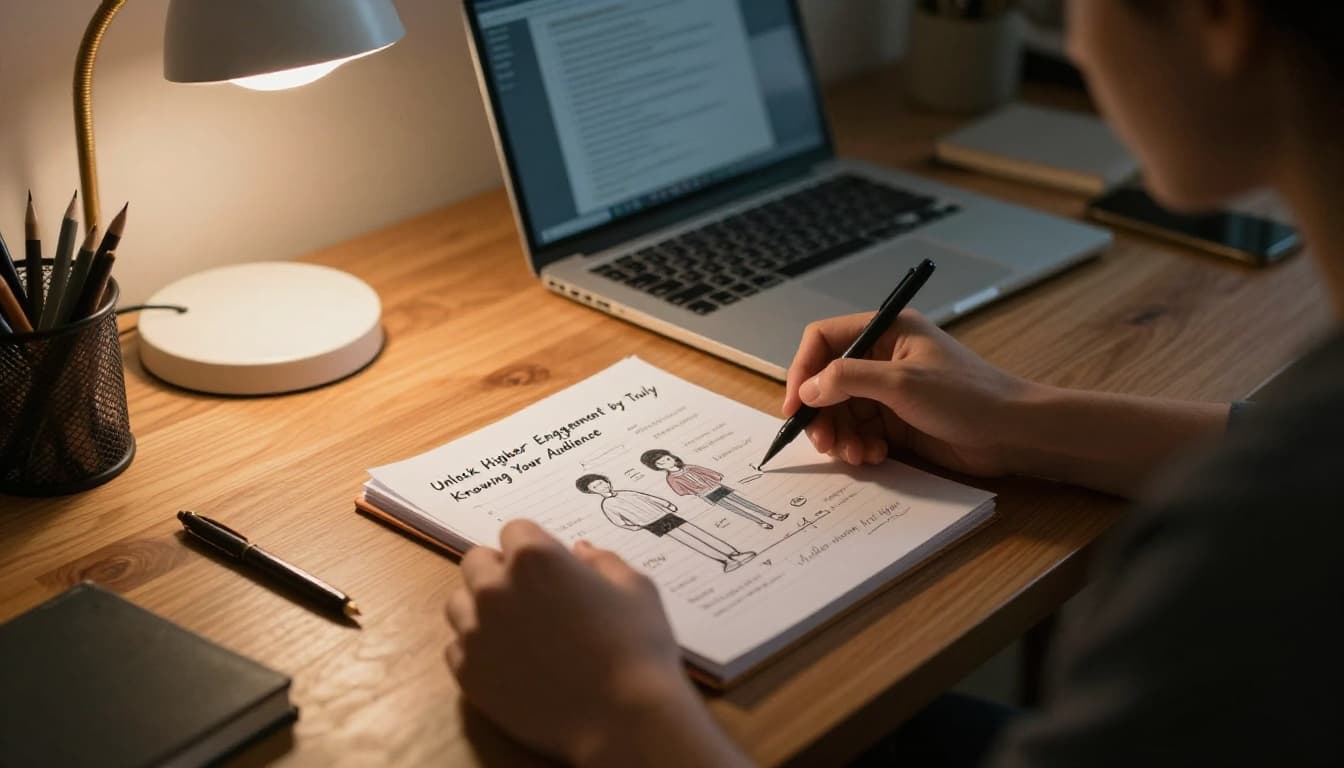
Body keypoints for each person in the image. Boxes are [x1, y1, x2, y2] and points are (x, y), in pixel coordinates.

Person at [441, 1, 1343, 765]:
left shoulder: (1250, 555)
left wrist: (621, 709)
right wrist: (1024, 421)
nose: (1072, 40)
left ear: (1219, 18)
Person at [576, 473, 757, 573]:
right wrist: (637, 526)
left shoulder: (626, 493)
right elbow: (619, 522)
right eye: (596, 487)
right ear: (591, 492)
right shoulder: (608, 505)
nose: (602, 487)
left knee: (699, 534)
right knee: (689, 541)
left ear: (607, 480)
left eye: (601, 482)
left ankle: (735, 553)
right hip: (652, 524)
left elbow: (648, 498)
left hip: (664, 515)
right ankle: (726, 561)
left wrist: (667, 504)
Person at [640, 449, 787, 530]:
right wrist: (695, 491)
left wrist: (717, 477)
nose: (665, 462)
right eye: (660, 463)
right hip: (706, 494)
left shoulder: (689, 467)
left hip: (717, 487)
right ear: (657, 467)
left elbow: (706, 472)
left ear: (672, 457)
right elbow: (680, 490)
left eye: (667, 458)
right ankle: (760, 522)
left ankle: (772, 514)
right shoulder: (671, 478)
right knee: (734, 508)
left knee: (743, 502)